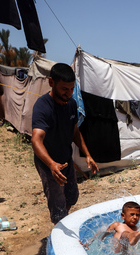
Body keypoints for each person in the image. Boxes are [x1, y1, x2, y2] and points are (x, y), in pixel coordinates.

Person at [31, 63, 98, 224]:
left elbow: (75, 132)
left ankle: (63, 222)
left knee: (72, 196)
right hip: (49, 164)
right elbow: (36, 139)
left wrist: (88, 155)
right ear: (51, 82)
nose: (68, 94)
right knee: (58, 206)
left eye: (71, 89)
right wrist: (51, 164)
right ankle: (59, 230)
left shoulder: (71, 104)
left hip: (66, 159)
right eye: (64, 89)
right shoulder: (42, 106)